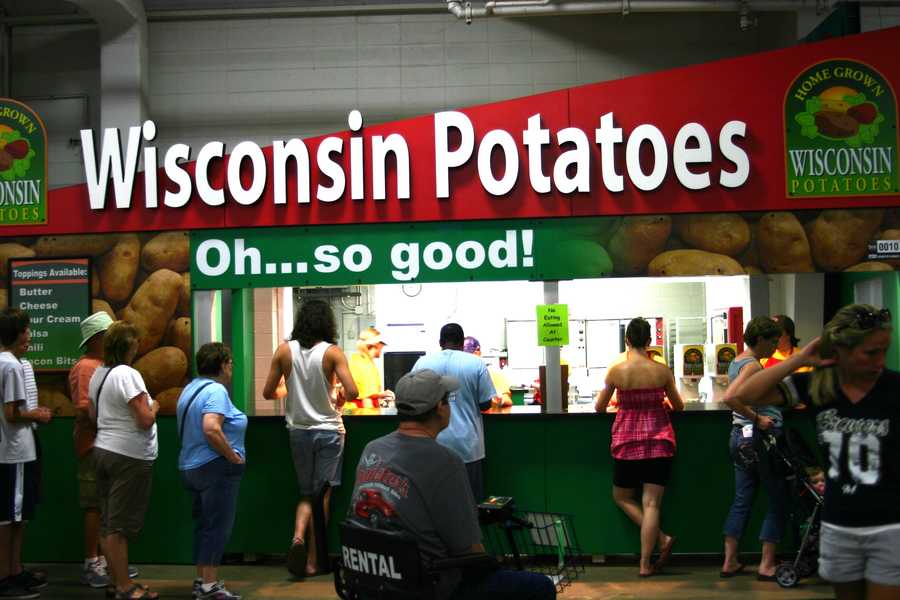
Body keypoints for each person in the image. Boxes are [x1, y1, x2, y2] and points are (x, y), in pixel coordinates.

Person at [725, 304, 900, 600]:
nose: (879, 361)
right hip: (839, 522)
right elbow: (743, 395)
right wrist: (801, 359)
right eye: (870, 352)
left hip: (888, 524)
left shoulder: (894, 388)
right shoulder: (820, 385)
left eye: (884, 350)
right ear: (841, 350)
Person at [347, 368, 556, 600]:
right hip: (429, 583)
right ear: (439, 407)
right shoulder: (446, 461)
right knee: (541, 586)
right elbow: (469, 550)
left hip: (372, 580)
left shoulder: (372, 449)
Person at [262, 299, 358, 578]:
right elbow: (352, 391)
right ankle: (314, 561)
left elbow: (269, 392)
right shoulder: (332, 353)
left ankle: (297, 538)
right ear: (327, 323)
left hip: (298, 431)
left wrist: (289, 389)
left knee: (306, 493)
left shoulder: (283, 351)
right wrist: (338, 393)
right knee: (322, 496)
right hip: (328, 430)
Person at [594, 317, 683, 577]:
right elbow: (678, 406)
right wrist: (661, 403)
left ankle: (662, 542)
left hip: (627, 441)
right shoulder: (661, 371)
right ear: (648, 341)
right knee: (652, 503)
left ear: (627, 340)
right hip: (659, 441)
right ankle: (647, 561)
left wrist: (621, 404)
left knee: (622, 497)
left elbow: (600, 407)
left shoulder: (616, 371)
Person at [88, 321, 160, 600]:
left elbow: (94, 416)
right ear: (130, 346)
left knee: (108, 522)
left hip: (103, 450)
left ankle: (118, 581)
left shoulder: (98, 374)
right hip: (129, 456)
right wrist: (155, 405)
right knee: (119, 526)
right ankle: (124, 587)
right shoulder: (128, 375)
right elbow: (144, 419)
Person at [177, 343, 246, 600]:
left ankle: (202, 580)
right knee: (218, 527)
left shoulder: (190, 389)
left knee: (204, 526)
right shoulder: (216, 391)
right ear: (223, 364)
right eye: (230, 363)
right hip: (214, 468)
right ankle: (210, 586)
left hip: (191, 466)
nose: (231, 368)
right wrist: (232, 456)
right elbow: (211, 428)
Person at [720, 316, 787, 581]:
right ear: (760, 339)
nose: (774, 347)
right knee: (778, 499)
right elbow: (730, 398)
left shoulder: (737, 361)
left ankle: (730, 561)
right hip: (759, 437)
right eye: (772, 341)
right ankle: (767, 564)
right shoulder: (752, 366)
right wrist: (757, 418)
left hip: (739, 437)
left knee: (742, 500)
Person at [0, 308, 51, 599]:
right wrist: (38, 414)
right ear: (17, 334)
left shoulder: (6, 363)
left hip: (14, 451)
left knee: (18, 516)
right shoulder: (12, 367)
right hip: (15, 451)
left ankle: (15, 570)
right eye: (27, 330)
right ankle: (5, 577)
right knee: (9, 517)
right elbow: (12, 413)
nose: (30, 335)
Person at [412, 324, 495, 501]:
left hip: (431, 445)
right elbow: (485, 403)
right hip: (467, 447)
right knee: (469, 505)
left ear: (440, 342)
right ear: (462, 342)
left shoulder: (422, 363)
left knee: (433, 504)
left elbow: (413, 400)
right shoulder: (476, 363)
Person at [69, 311, 116, 589]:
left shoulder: (102, 364)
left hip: (105, 445)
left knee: (106, 507)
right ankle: (92, 562)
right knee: (94, 506)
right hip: (92, 447)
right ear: (98, 338)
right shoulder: (86, 367)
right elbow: (84, 407)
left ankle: (109, 561)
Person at [348, 327, 393, 408]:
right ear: (377, 345)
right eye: (381, 345)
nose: (382, 348)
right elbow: (367, 397)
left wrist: (381, 396)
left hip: (352, 411)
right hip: (359, 412)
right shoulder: (365, 365)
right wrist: (384, 395)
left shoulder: (357, 359)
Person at [462, 336, 511, 409]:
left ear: (478, 353)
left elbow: (507, 400)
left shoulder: (493, 374)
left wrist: (500, 399)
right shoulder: (458, 374)